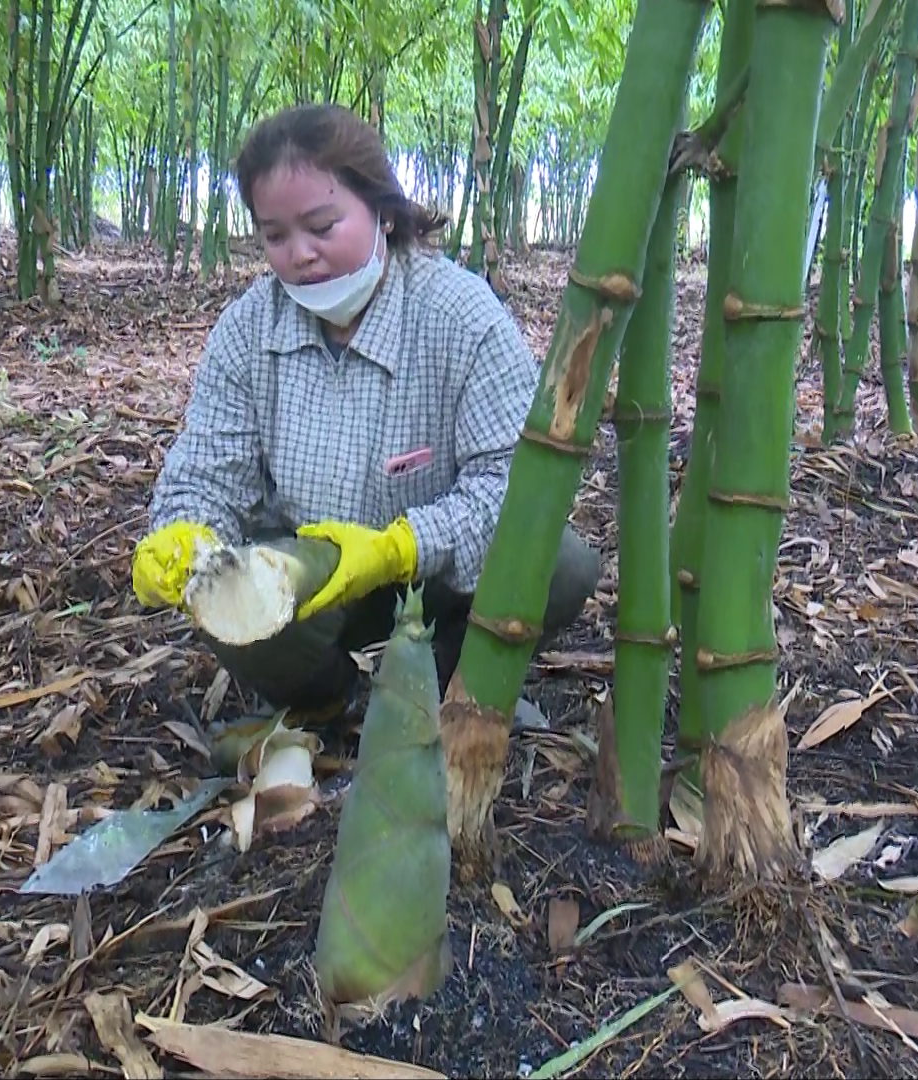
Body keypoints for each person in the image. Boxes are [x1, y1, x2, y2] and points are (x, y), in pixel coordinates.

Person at [131, 103, 601, 730]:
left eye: (322, 226)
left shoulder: (461, 317)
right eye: (275, 236)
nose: (300, 254)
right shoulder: (248, 329)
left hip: (436, 583)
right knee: (218, 593)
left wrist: (397, 548)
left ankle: (455, 683)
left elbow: (511, 489)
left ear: (381, 208)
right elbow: (208, 475)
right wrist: (183, 535)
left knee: (560, 564)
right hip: (305, 589)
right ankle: (324, 701)